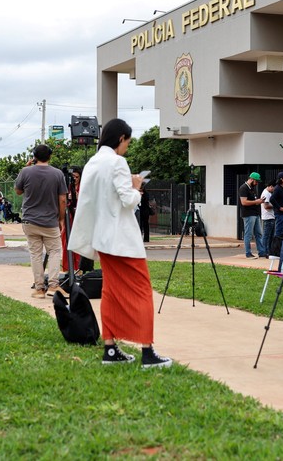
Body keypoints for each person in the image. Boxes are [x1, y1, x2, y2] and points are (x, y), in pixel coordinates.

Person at [68, 118, 172, 368]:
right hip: (122, 239)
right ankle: (148, 352)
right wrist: (137, 187)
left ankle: (111, 349)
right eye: (127, 141)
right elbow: (128, 200)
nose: (127, 147)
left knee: (111, 292)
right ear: (121, 138)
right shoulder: (117, 162)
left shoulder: (93, 162)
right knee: (142, 291)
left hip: (102, 239)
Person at [15, 144, 67, 298]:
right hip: (50, 221)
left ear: (34, 157)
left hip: (29, 220)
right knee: (55, 251)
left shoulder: (26, 171)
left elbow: (18, 191)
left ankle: (39, 289)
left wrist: (25, 169)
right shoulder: (57, 174)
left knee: (36, 254)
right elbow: (63, 198)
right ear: (50, 156)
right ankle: (53, 285)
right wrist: (61, 218)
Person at [239, 172, 265, 258]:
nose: (257, 183)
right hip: (248, 214)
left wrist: (259, 201)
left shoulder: (252, 188)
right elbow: (244, 202)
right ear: (252, 179)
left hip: (255, 213)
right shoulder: (243, 188)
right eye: (256, 181)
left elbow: (253, 200)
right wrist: (256, 202)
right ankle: (248, 252)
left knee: (259, 233)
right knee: (248, 234)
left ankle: (261, 251)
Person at [268, 172, 283, 238]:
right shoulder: (277, 188)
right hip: (280, 214)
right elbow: (272, 199)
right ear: (282, 179)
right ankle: (276, 247)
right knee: (278, 232)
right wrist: (280, 208)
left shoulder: (281, 188)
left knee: (281, 232)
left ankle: (279, 246)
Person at [259, 182, 276, 257]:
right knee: (267, 235)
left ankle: (268, 251)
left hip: (270, 216)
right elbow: (266, 206)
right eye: (273, 188)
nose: (274, 190)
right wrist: (276, 205)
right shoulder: (266, 193)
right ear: (271, 186)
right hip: (268, 217)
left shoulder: (268, 193)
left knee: (269, 236)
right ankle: (264, 251)